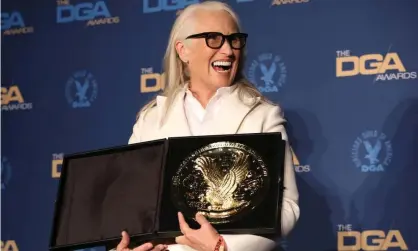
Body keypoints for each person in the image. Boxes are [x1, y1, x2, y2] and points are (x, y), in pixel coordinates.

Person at [114, 1, 300, 250]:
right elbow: (130, 205)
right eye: (214, 39)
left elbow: (286, 208)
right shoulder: (151, 120)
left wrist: (221, 248)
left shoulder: (262, 116)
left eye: (234, 40)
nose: (228, 50)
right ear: (183, 50)